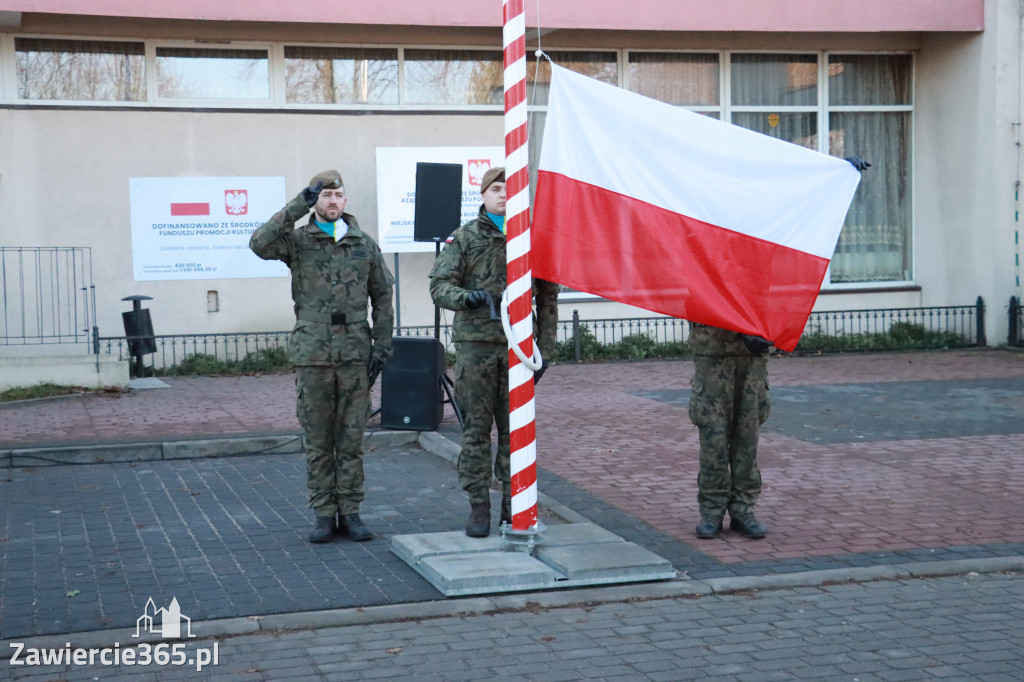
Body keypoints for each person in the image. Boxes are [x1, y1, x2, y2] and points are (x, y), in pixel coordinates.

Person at [250, 170, 394, 544]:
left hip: (355, 353)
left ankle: (351, 511)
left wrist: (382, 347)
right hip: (313, 351)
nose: (332, 201)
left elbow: (382, 297)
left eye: (337, 195)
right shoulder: (298, 241)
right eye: (325, 195)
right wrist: (300, 202)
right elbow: (259, 244)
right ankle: (323, 514)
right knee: (318, 438)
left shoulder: (364, 244)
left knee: (351, 438)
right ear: (317, 200)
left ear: (346, 201)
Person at [429, 167, 559, 537]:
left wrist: (544, 351)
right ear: (483, 195)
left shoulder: (532, 237)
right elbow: (439, 285)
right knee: (476, 431)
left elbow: (548, 299)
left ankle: (512, 504)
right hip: (477, 349)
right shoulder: (466, 237)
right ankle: (478, 506)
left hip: (519, 351)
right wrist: (466, 298)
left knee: (515, 432)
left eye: (510, 189)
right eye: (496, 189)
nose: (504, 195)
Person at [687, 323, 772, 539]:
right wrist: (741, 329)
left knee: (747, 440)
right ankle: (712, 511)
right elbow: (704, 300)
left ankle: (743, 510)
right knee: (713, 441)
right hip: (713, 353)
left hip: (752, 357)